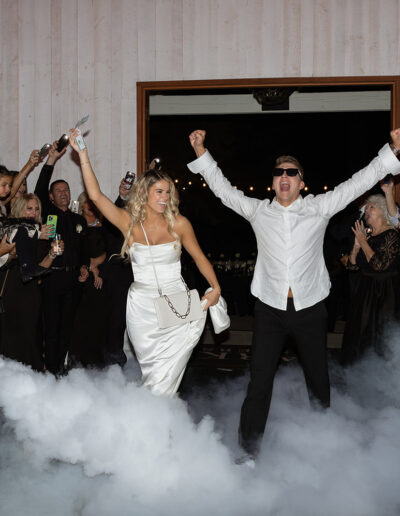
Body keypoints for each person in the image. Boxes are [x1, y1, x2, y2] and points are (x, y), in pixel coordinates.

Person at [187, 128, 400, 460]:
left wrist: (391, 152)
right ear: (273, 182)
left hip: (310, 309)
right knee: (259, 384)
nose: (284, 176)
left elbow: (359, 181)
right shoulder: (259, 211)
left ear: (301, 182)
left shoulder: (319, 207)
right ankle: (249, 453)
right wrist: (201, 152)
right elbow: (223, 190)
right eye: (278, 172)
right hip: (269, 310)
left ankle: (324, 446)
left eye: (291, 172)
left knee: (318, 382)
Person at [68, 128, 221, 396]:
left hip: (177, 302)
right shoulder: (129, 222)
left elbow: (199, 258)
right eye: (159, 192)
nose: (165, 198)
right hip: (142, 308)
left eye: (168, 192)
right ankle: (153, 424)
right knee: (153, 371)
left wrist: (215, 287)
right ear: (144, 194)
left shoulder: (180, 224)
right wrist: (82, 154)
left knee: (168, 375)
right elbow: (96, 197)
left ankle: (156, 425)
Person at [34, 142, 89, 375]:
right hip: (52, 279)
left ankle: (61, 369)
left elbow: (83, 249)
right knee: (52, 327)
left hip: (73, 281)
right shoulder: (48, 214)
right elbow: (38, 189)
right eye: (59, 191)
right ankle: (52, 370)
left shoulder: (80, 220)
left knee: (68, 328)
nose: (64, 194)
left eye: (66, 190)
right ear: (51, 197)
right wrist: (51, 161)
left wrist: (85, 266)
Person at [0, 194, 63, 371]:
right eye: (29, 208)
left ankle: (31, 378)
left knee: (30, 335)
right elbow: (9, 253)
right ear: (20, 209)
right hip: (9, 287)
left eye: (37, 209)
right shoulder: (10, 227)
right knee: (9, 336)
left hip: (30, 291)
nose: (34, 213)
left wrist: (52, 253)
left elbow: (40, 269)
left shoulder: (41, 235)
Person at [340, 195, 400, 364]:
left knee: (379, 337)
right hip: (365, 293)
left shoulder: (392, 236)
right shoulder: (367, 237)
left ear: (383, 211)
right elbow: (352, 267)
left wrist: (363, 243)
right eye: (366, 208)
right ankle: (358, 376)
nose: (367, 210)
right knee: (358, 336)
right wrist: (356, 247)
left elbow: (379, 265)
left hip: (384, 295)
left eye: (372, 207)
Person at [68, 192, 109, 368]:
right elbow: (73, 249)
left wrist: (96, 263)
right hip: (81, 275)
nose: (90, 207)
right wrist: (87, 266)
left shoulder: (106, 225)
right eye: (87, 203)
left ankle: (98, 361)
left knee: (99, 318)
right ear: (82, 205)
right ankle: (78, 361)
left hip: (102, 276)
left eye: (94, 204)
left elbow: (114, 248)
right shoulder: (76, 224)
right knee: (79, 318)